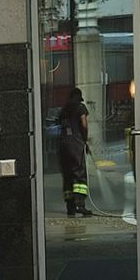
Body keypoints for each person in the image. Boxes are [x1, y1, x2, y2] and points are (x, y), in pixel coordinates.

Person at [55, 89, 91, 222]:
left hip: (62, 144)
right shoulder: (80, 107)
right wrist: (85, 141)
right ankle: (80, 205)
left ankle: (70, 207)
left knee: (67, 174)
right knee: (79, 173)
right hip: (76, 143)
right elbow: (83, 124)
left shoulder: (64, 110)